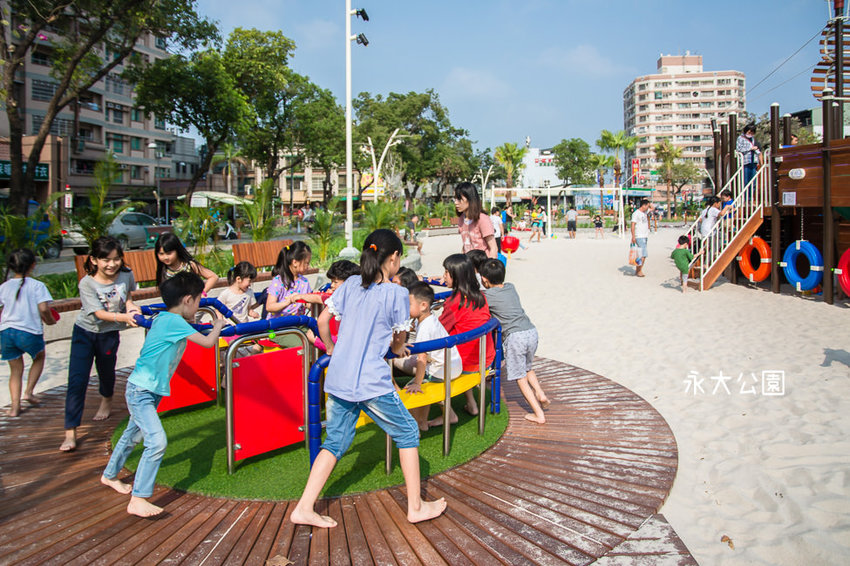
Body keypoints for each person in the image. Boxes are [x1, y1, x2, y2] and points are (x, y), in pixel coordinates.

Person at [290, 229, 447, 528]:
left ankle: (304, 507)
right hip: (370, 381)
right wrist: (398, 347)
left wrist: (334, 350)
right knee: (408, 433)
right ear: (393, 258)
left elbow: (323, 321)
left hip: (338, 376)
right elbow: (400, 337)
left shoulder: (349, 284)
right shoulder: (397, 293)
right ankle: (415, 507)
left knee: (334, 441)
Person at [101, 271, 226, 517]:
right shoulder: (175, 322)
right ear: (188, 300)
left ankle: (109, 475)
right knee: (157, 441)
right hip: (142, 392)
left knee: (132, 435)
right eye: (199, 300)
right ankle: (139, 499)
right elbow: (208, 342)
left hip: (144, 389)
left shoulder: (163, 318)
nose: (200, 304)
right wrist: (219, 326)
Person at [61, 236, 141, 452]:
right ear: (95, 260)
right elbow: (98, 313)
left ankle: (106, 399)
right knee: (77, 378)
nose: (112, 264)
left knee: (106, 371)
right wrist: (125, 318)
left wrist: (133, 309)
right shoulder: (87, 283)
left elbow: (129, 298)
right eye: (106, 260)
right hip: (85, 333)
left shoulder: (126, 275)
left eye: (116, 259)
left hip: (109, 334)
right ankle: (70, 431)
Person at [479, 259, 549, 423]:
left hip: (515, 337)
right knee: (527, 367)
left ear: (484, 279)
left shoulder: (486, 296)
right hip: (531, 331)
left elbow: (477, 300)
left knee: (520, 377)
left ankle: (538, 414)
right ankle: (540, 393)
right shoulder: (511, 287)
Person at [434, 253, 495, 423]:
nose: (443, 276)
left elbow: (438, 330)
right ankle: (472, 404)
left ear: (457, 276)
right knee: (463, 346)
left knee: (425, 365)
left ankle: (448, 414)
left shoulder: (454, 302)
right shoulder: (480, 296)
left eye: (446, 272)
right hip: (485, 358)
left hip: (466, 363)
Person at [397, 282, 462, 430]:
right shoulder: (429, 319)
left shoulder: (425, 327)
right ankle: (433, 419)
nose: (405, 307)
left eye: (409, 304)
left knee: (411, 389)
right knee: (424, 380)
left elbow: (422, 359)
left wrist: (417, 384)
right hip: (452, 365)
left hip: (443, 370)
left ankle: (417, 425)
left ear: (423, 305)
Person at [0, 249, 57, 417]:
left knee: (15, 371)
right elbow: (44, 309)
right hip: (29, 332)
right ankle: (29, 392)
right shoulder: (37, 286)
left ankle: (15, 407)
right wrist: (49, 320)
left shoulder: (3, 286)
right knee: (39, 357)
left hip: (6, 333)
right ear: (33, 265)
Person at [265, 241, 322, 318]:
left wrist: (314, 299)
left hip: (296, 325)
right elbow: (269, 307)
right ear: (295, 262)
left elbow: (308, 304)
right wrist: (288, 302)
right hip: (278, 326)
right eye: (306, 263)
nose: (308, 266)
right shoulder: (279, 281)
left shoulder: (304, 282)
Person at [454, 182, 497, 259]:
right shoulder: (461, 219)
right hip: (469, 266)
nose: (456, 203)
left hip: (483, 265)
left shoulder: (482, 219)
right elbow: (465, 244)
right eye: (455, 199)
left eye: (459, 199)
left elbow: (493, 248)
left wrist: (489, 268)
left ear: (470, 199)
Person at [736, 124, 761, 189]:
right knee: (745, 180)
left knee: (753, 180)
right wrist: (750, 148)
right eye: (749, 132)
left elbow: (758, 151)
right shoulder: (741, 138)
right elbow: (739, 149)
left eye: (752, 132)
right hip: (745, 162)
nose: (750, 134)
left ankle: (751, 195)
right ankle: (746, 196)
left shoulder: (752, 139)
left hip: (753, 161)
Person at [630, 199, 651, 277]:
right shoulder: (636, 213)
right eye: (647, 206)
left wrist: (649, 203)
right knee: (643, 254)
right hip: (639, 236)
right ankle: (639, 270)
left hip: (645, 236)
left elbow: (653, 208)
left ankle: (638, 270)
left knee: (641, 254)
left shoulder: (645, 212)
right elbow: (632, 225)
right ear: (643, 205)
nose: (648, 208)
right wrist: (633, 236)